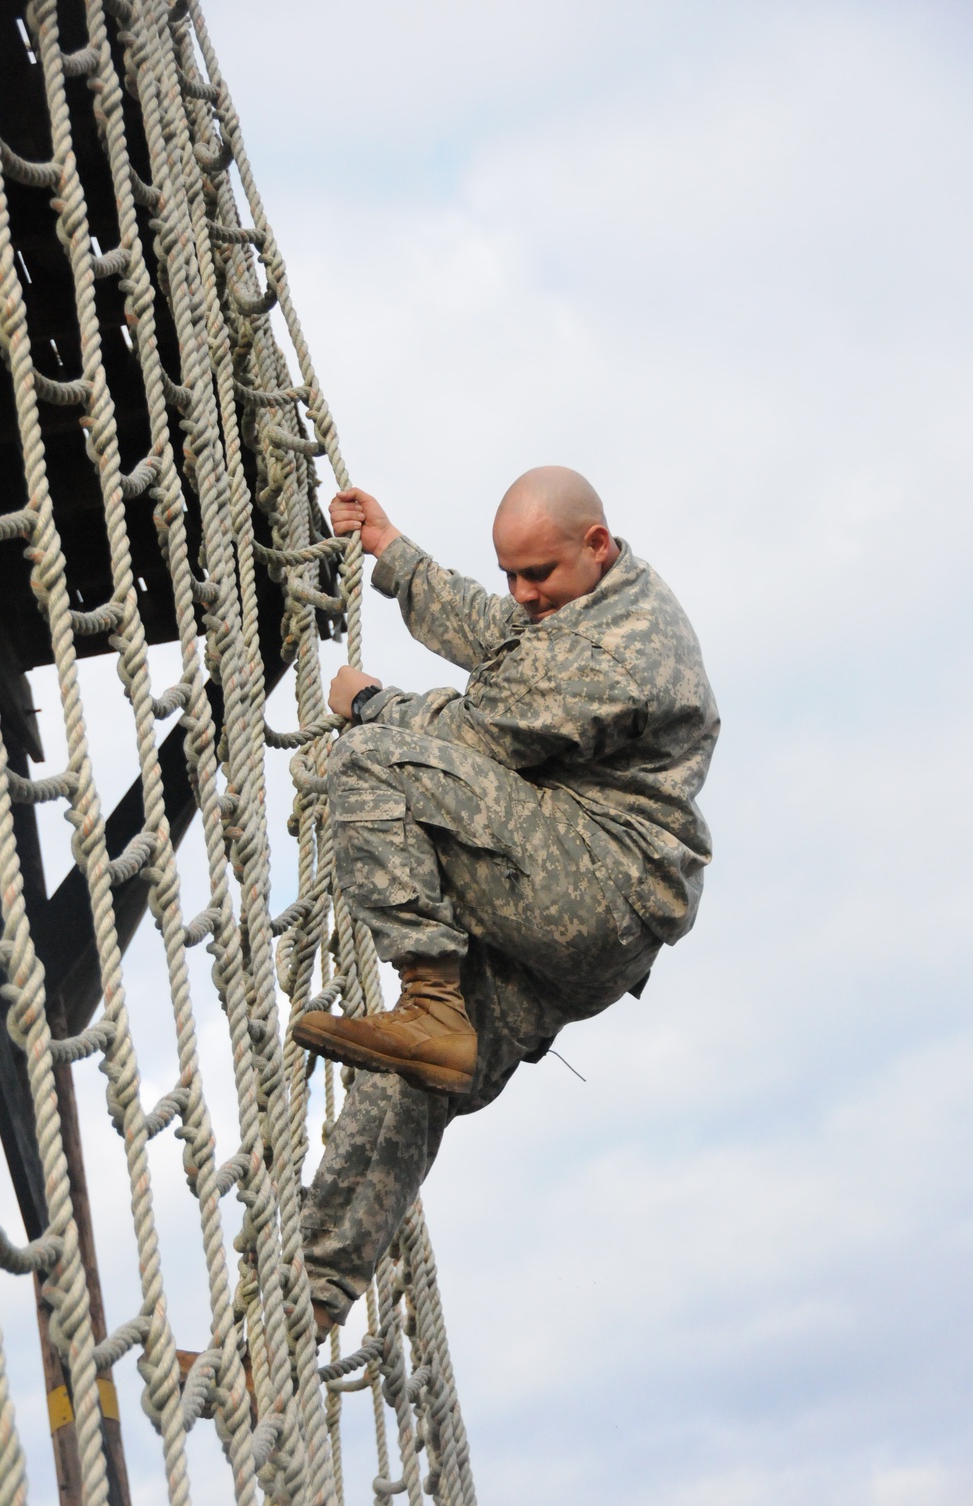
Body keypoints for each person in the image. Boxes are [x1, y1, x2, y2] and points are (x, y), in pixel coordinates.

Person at [293, 465, 719, 1337]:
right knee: (408, 1078)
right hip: (580, 913)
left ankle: (431, 996)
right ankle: (298, 1316)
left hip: (596, 883)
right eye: (512, 574)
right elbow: (506, 637)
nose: (523, 593)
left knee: (371, 763)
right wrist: (394, 554)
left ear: (595, 544)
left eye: (538, 575)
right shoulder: (590, 599)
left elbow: (480, 736)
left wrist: (369, 702)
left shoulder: (617, 649)